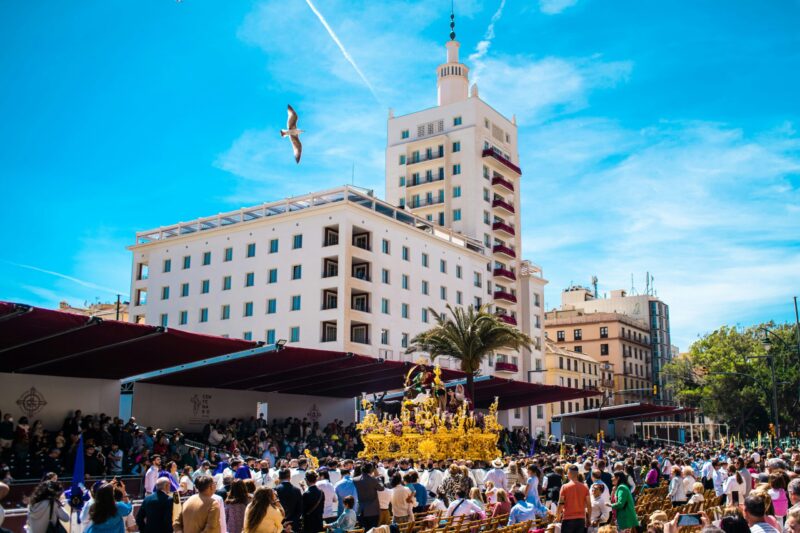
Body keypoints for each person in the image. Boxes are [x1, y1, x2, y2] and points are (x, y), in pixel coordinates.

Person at [557, 465, 591, 533]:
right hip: (581, 519)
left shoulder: (564, 487)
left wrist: (558, 516)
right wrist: (589, 519)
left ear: (569, 473)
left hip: (568, 519)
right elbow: (589, 505)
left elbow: (561, 503)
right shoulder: (585, 487)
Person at [353, 462, 383, 530]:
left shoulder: (355, 480)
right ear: (371, 470)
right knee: (373, 530)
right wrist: (379, 479)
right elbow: (381, 488)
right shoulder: (373, 480)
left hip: (361, 511)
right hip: (372, 511)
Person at [274, 468, 302, 532]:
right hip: (293, 525)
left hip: (279, 524)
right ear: (289, 477)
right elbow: (299, 509)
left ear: (279, 478)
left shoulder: (275, 490)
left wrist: (283, 523)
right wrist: (291, 523)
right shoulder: (297, 490)